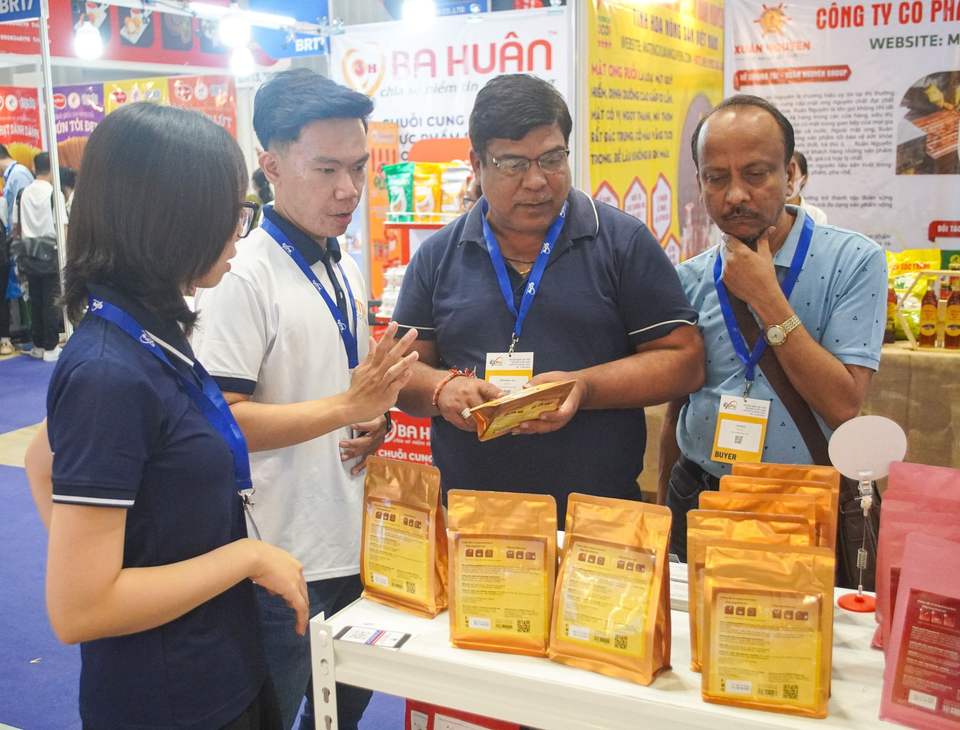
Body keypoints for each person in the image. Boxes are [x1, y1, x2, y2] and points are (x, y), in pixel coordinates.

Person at [27, 102, 309, 729]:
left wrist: (126, 552)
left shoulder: (150, 332)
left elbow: (39, 459)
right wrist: (245, 558)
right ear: (172, 219)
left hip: (215, 663)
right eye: (230, 212)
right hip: (167, 698)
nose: (239, 231)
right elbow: (79, 610)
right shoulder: (108, 372)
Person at [190, 69, 418, 730]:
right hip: (279, 555)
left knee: (339, 715)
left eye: (359, 167)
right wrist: (344, 409)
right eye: (326, 170)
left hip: (350, 540)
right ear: (272, 167)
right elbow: (220, 422)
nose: (349, 189)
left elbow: (335, 391)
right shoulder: (244, 275)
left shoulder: (341, 264)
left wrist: (371, 417)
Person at [392, 73, 704, 522]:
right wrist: (442, 390)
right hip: (474, 521)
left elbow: (684, 361)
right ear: (476, 163)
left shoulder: (622, 242)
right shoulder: (437, 256)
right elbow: (402, 375)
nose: (537, 181)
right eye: (513, 164)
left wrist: (583, 387)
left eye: (552, 158)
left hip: (597, 520)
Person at [658, 95, 887, 569]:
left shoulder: (853, 262)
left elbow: (843, 403)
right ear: (700, 183)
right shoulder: (689, 278)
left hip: (804, 505)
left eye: (756, 174)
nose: (735, 195)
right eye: (716, 178)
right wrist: (663, 506)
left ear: (791, 174)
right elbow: (677, 407)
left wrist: (767, 299)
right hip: (701, 495)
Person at [15, 152, 68, 361]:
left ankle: (37, 345)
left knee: (35, 299)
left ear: (34, 168)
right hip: (51, 251)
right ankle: (51, 347)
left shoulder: (24, 193)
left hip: (29, 251)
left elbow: (18, 226)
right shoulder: (55, 193)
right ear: (53, 168)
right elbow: (62, 227)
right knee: (51, 301)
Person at [0, 144, 33, 356]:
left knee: (27, 291)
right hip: (17, 244)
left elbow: (20, 215)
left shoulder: (18, 175)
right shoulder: (13, 176)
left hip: (24, 245)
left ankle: (34, 336)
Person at [786, 151, 828, 225]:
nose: (786, 179)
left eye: (790, 173)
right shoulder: (766, 213)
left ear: (804, 178)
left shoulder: (816, 216)